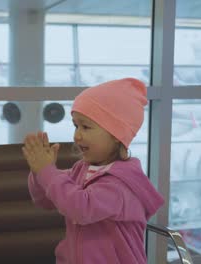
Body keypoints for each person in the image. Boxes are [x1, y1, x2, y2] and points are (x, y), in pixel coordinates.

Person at [22, 78, 165, 264]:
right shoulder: (82, 169)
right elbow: (46, 200)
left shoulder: (122, 184)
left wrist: (47, 172)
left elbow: (81, 208)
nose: (77, 135)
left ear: (116, 134)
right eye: (76, 125)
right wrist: (38, 172)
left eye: (86, 127)